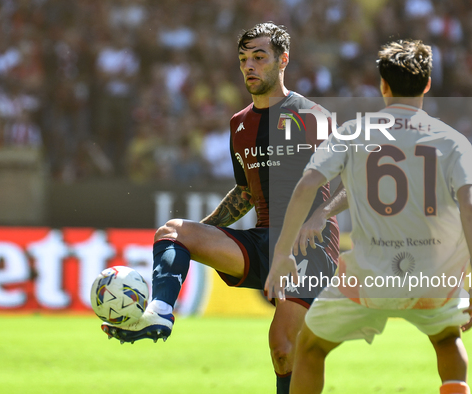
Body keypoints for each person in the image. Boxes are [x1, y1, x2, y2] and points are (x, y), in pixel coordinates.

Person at [101, 22, 341, 394]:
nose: (249, 66)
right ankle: (159, 314)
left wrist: (321, 216)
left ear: (283, 60)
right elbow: (245, 193)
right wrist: (202, 236)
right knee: (174, 232)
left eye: (259, 57)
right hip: (263, 240)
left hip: (308, 245)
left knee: (282, 348)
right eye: (244, 59)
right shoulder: (239, 124)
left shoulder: (312, 116)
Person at [265, 39, 472, 394]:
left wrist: (282, 253)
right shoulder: (452, 141)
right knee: (447, 341)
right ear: (428, 84)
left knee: (311, 347)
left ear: (382, 85)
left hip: (369, 279)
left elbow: (307, 184)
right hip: (431, 276)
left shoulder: (354, 132)